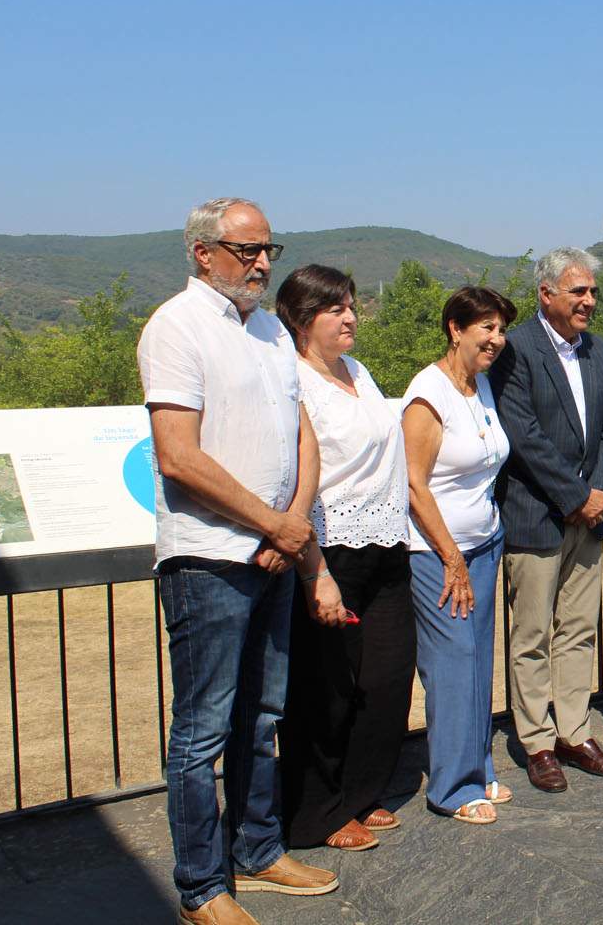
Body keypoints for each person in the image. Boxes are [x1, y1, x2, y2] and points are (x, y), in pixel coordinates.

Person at [138, 198, 336, 925]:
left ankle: (256, 852)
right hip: (207, 560)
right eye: (247, 250)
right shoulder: (175, 327)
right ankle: (201, 887)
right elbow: (178, 456)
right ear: (202, 252)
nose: (262, 264)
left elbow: (302, 437)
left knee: (262, 717)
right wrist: (276, 525)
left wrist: (288, 528)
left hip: (271, 554)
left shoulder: (269, 332)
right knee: (202, 731)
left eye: (268, 250)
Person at [272, 265, 413, 854]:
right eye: (337, 309)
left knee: (385, 678)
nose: (352, 317)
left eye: (352, 305)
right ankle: (315, 812)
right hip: (331, 549)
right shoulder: (294, 383)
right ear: (304, 322)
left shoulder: (360, 371)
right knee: (325, 686)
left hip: (386, 543)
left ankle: (359, 791)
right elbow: (296, 481)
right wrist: (316, 573)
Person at [489, 248, 603, 792]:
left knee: (579, 631)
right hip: (537, 514)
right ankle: (537, 742)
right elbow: (521, 432)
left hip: (588, 517)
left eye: (592, 292)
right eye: (578, 292)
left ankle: (575, 730)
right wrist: (574, 494)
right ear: (546, 294)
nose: (589, 301)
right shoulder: (516, 349)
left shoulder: (598, 350)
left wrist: (598, 492)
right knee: (530, 635)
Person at [403, 286, 520, 824]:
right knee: (452, 665)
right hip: (436, 553)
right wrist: (450, 556)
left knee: (477, 663)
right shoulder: (429, 394)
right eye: (486, 328)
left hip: (483, 544)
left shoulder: (479, 386)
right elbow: (414, 485)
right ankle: (450, 787)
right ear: (456, 328)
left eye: (501, 329)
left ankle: (478, 767)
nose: (496, 339)